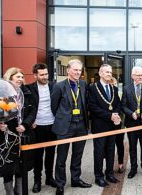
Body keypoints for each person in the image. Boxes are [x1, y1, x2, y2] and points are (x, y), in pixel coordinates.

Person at [51, 59, 92, 195]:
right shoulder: (59, 86)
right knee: (61, 157)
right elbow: (54, 106)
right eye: (75, 70)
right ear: (68, 70)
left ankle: (75, 179)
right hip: (65, 127)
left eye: (79, 70)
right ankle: (60, 184)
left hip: (81, 125)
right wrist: (64, 118)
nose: (77, 73)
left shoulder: (83, 84)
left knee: (77, 155)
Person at [0, 67, 37, 195]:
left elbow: (33, 111)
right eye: (17, 77)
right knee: (8, 167)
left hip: (24, 134)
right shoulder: (3, 94)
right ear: (9, 78)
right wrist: (0, 126)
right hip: (7, 136)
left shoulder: (27, 92)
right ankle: (9, 192)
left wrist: (25, 125)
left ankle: (19, 191)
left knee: (22, 166)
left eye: (21, 77)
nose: (21, 79)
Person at [88, 64, 121, 187]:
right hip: (100, 126)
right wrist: (109, 116)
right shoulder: (92, 88)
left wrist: (116, 114)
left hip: (112, 126)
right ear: (100, 73)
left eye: (110, 72)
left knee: (111, 151)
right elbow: (92, 106)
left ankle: (110, 174)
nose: (109, 74)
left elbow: (118, 103)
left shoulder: (114, 88)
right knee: (99, 152)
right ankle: (99, 176)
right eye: (107, 72)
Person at [27, 63, 57, 193]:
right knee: (38, 155)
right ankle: (37, 181)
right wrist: (30, 122)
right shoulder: (29, 88)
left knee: (51, 154)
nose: (45, 77)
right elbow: (25, 108)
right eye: (42, 74)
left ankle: (49, 178)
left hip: (52, 125)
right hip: (37, 126)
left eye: (46, 74)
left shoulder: (54, 86)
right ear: (35, 75)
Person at [121, 66, 142, 179]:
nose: (140, 77)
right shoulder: (126, 89)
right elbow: (123, 105)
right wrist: (130, 114)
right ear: (132, 76)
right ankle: (133, 168)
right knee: (132, 147)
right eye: (138, 75)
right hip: (131, 122)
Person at [110, 77, 124, 174]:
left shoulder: (120, 94)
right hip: (108, 124)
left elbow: (122, 106)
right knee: (109, 145)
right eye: (111, 84)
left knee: (120, 144)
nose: (113, 86)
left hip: (119, 124)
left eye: (115, 84)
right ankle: (109, 165)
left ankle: (120, 163)